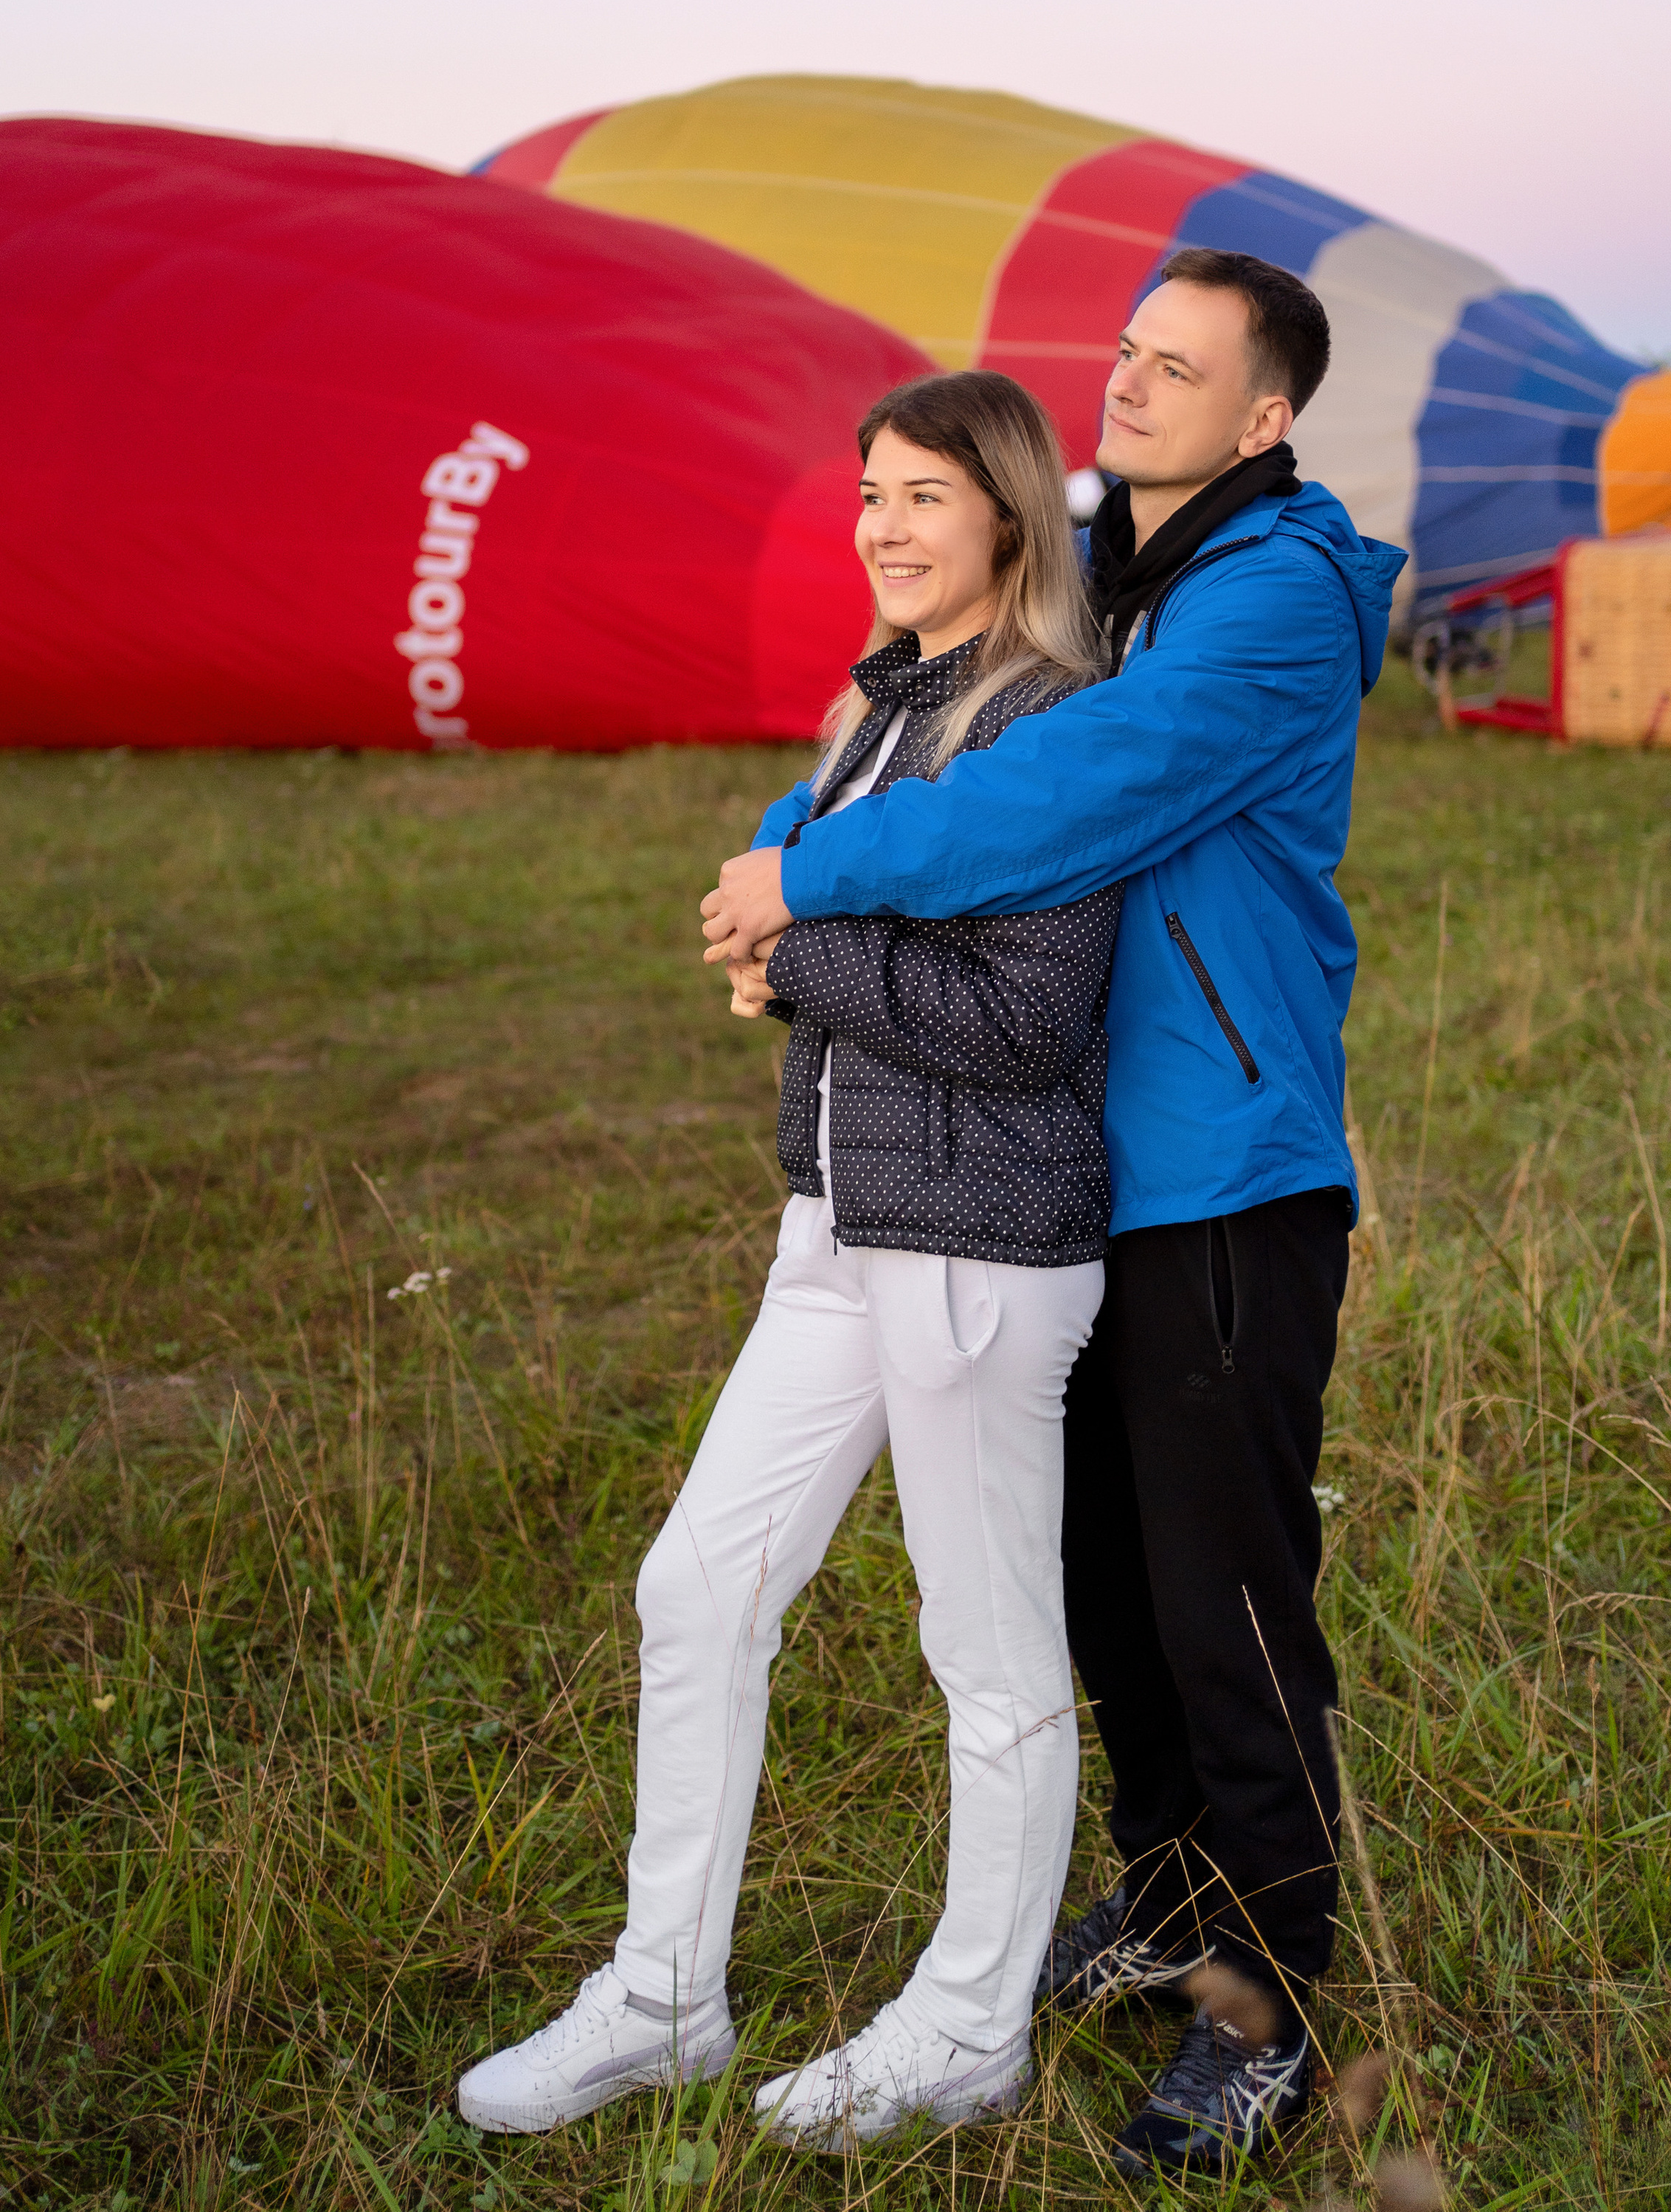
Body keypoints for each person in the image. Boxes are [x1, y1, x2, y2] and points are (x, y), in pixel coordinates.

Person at [702, 246, 1407, 2179]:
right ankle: (1173, 1902)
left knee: (1226, 1599)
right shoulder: (1111, 578)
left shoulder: (1263, 603)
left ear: (1267, 416)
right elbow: (930, 698)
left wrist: (813, 883)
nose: (1133, 383)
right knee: (1107, 1580)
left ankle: (1264, 2002)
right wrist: (786, 849)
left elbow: (1071, 781)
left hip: (1228, 1179)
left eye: (1185, 369)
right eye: (1126, 352)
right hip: (1072, 1183)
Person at [457, 371, 1123, 2149]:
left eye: (924, 495)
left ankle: (970, 2033)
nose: (886, 528)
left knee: (984, 1656)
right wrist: (782, 926)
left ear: (1006, 512)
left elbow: (1032, 1021)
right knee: (697, 1589)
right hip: (834, 1221)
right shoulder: (877, 711)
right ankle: (664, 1996)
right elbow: (818, 916)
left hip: (978, 1238)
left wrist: (795, 946)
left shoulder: (1051, 717)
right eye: (870, 496)